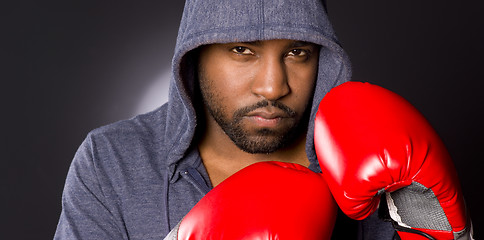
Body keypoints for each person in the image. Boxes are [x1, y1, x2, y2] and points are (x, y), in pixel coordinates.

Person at [54, 0, 471, 239]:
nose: (273, 87)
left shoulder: (378, 158)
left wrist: (436, 224)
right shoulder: (113, 161)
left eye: (297, 52)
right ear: (196, 56)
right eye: (242, 50)